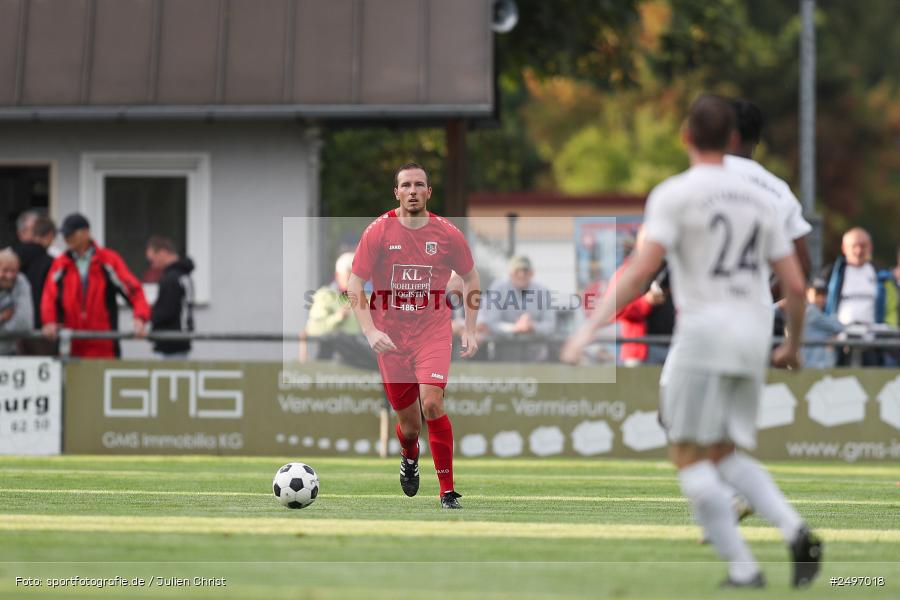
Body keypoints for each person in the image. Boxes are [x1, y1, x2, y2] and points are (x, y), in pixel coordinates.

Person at [562, 95, 821, 589]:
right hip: (751, 335)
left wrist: (588, 328)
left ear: (685, 137)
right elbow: (794, 281)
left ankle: (745, 567)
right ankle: (795, 533)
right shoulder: (764, 197)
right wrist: (793, 344)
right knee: (723, 452)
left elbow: (639, 272)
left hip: (703, 335)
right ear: (733, 139)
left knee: (687, 456)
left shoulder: (675, 193)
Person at [347, 162, 480, 509]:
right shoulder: (378, 231)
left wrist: (470, 328)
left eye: (419, 185)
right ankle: (409, 455)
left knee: (432, 404)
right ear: (396, 193)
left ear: (429, 192)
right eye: (405, 185)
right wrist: (370, 330)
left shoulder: (447, 233)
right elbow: (354, 284)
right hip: (391, 339)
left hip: (431, 332)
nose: (412, 191)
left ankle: (447, 491)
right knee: (409, 427)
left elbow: (471, 277)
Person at [41, 213, 150, 358]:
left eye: (71, 233)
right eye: (65, 234)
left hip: (105, 348)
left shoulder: (108, 260)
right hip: (71, 348)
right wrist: (49, 322)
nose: (67, 238)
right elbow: (49, 297)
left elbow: (133, 290)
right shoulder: (60, 264)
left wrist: (140, 318)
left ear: (86, 233)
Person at [822, 227, 896, 365]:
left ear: (870, 247)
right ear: (844, 248)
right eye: (854, 246)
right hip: (838, 345)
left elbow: (893, 308)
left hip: (873, 345)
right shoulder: (831, 274)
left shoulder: (882, 276)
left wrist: (885, 330)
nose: (859, 250)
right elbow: (819, 304)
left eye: (863, 246)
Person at [480, 255, 555, 362]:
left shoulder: (543, 292)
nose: (521, 274)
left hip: (536, 357)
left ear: (532, 273)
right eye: (517, 271)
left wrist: (532, 326)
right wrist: (514, 328)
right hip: (504, 356)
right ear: (510, 273)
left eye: (525, 271)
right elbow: (491, 322)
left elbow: (550, 325)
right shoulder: (498, 289)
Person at [776, 278, 843, 369]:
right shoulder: (811, 311)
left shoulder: (816, 313)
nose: (820, 299)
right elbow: (839, 327)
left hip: (810, 365)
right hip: (808, 365)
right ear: (807, 293)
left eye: (823, 295)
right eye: (817, 294)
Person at [146, 235, 195, 359]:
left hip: (170, 346)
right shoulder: (184, 275)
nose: (153, 266)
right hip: (180, 341)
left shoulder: (171, 278)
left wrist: (145, 322)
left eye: (153, 260)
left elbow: (165, 311)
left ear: (163, 253)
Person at [0, 249, 34, 355]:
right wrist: (2, 317)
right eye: (5, 270)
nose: (9, 276)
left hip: (9, 355)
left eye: (13, 271)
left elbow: (24, 324)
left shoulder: (21, 282)